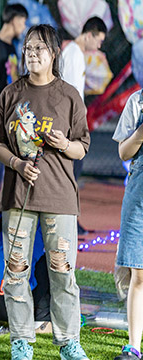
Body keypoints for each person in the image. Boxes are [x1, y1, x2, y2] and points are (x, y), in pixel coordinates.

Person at [0, 24, 91, 360]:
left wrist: (66, 144)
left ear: (54, 54)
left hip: (59, 197)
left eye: (40, 49)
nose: (33, 54)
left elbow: (83, 147)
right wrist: (17, 163)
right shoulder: (11, 93)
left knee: (62, 271)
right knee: (16, 271)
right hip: (19, 198)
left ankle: (68, 342)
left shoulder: (69, 95)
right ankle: (21, 340)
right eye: (29, 48)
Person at [0, 3, 29, 212]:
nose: (24, 25)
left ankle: (8, 202)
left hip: (10, 111)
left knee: (11, 156)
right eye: (22, 20)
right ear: (12, 19)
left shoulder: (13, 46)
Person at [111, 88, 143, 360]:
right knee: (139, 274)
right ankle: (134, 346)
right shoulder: (137, 101)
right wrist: (141, 133)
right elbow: (123, 152)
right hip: (139, 195)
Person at [60, 16, 107, 180]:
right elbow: (69, 89)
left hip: (72, 116)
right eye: (98, 40)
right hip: (70, 118)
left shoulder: (75, 52)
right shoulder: (74, 54)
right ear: (89, 35)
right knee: (74, 163)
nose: (99, 46)